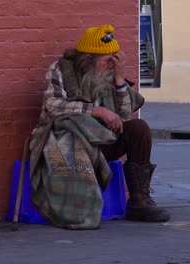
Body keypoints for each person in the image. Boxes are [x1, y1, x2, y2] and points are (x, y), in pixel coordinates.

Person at [29, 24, 170, 229]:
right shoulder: (60, 70)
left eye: (116, 61)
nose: (113, 66)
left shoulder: (111, 76)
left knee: (139, 128)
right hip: (67, 140)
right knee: (76, 128)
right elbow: (53, 106)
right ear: (89, 60)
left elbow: (122, 117)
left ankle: (139, 200)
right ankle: (81, 209)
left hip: (103, 140)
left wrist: (121, 82)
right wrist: (96, 111)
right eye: (107, 61)